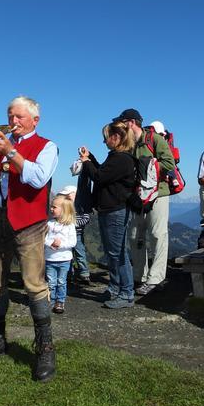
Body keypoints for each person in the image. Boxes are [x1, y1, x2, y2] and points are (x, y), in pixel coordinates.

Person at [0, 95, 59, 381]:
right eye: (10, 116)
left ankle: (45, 348)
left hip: (29, 222)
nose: (13, 122)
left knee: (33, 284)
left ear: (34, 120)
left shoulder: (47, 146)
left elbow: (38, 177)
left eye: (19, 117)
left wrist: (10, 152)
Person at [114, 108, 175, 297]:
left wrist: (148, 165)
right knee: (134, 236)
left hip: (159, 193)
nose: (120, 126)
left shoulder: (155, 140)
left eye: (123, 122)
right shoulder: (128, 144)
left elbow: (169, 164)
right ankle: (140, 276)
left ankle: (155, 278)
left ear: (131, 122)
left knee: (157, 234)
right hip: (137, 195)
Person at [79, 120, 138, 308]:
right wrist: (91, 159)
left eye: (106, 138)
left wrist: (87, 162)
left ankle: (126, 293)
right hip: (110, 210)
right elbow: (103, 173)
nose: (104, 142)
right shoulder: (117, 157)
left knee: (118, 253)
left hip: (115, 211)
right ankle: (114, 288)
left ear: (116, 137)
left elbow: (99, 176)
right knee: (113, 252)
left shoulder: (122, 159)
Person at [45, 194, 77, 314]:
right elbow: (43, 238)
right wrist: (50, 243)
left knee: (61, 281)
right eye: (51, 207)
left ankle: (60, 301)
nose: (51, 209)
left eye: (54, 207)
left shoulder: (70, 226)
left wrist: (60, 244)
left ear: (64, 210)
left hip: (64, 259)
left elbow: (73, 242)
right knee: (51, 282)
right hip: (50, 258)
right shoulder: (49, 224)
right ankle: (51, 300)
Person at [59, 181, 92, 286]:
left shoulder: (81, 206)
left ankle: (84, 273)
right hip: (66, 235)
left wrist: (73, 224)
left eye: (68, 196)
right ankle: (68, 274)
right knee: (68, 255)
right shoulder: (65, 207)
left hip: (77, 234)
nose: (67, 198)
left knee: (80, 254)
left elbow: (86, 218)